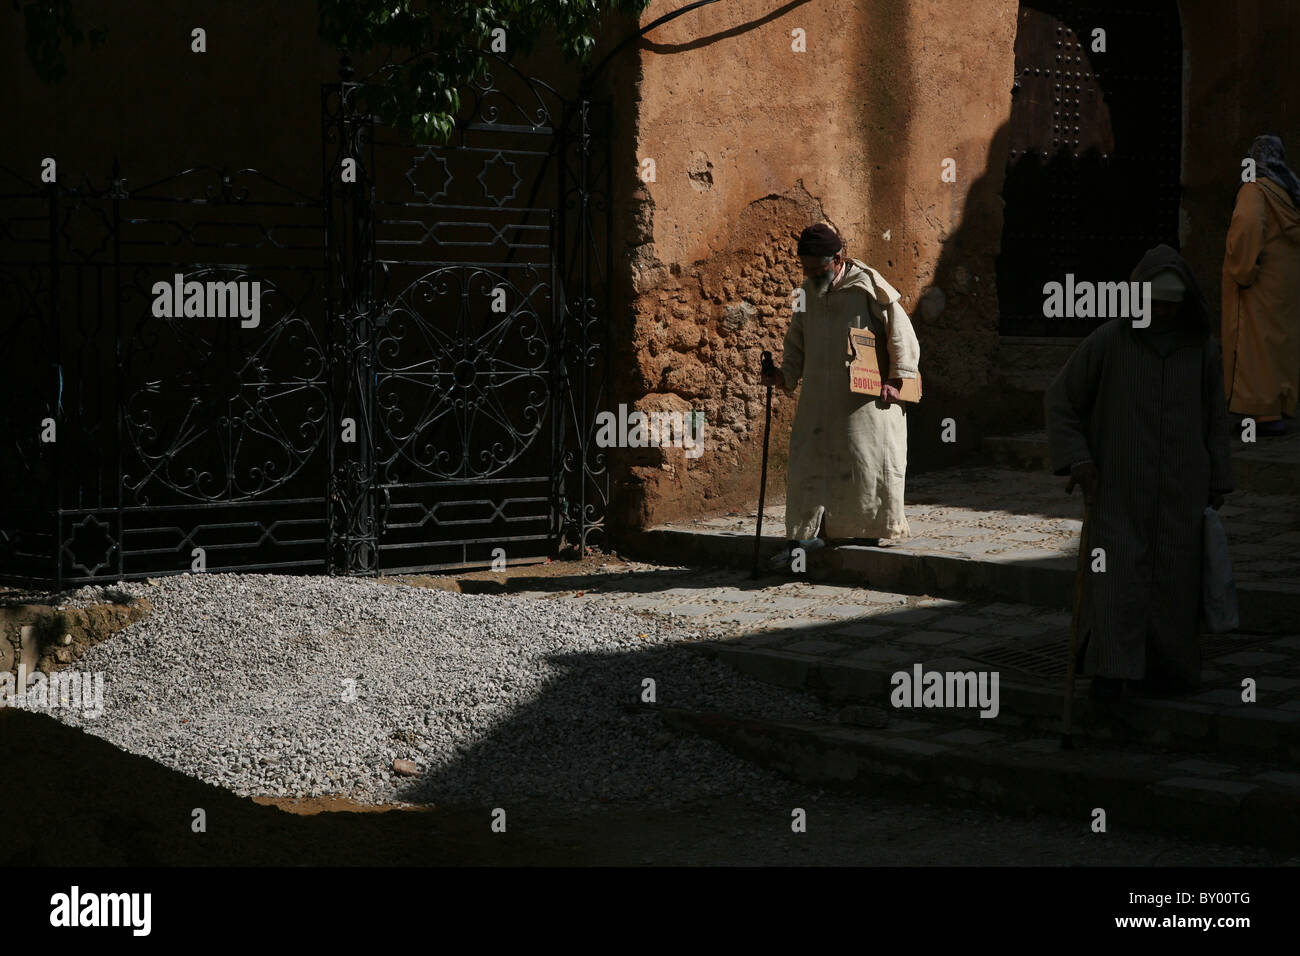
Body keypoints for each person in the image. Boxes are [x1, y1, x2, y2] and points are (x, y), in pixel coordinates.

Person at [1045, 244, 1233, 697]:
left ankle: (1169, 669)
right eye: (1155, 303)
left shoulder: (1203, 350)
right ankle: (1113, 671)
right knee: (1116, 579)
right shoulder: (1109, 341)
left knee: (1176, 581)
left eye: (1171, 304)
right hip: (1118, 485)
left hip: (1182, 489)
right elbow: (1062, 399)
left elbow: (1216, 419)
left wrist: (1219, 477)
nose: (1163, 312)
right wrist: (1079, 458)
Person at [761, 223, 920, 571]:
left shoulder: (869, 288)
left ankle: (867, 530)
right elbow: (796, 342)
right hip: (819, 398)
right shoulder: (807, 293)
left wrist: (897, 379)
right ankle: (806, 537)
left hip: (866, 401)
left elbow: (901, 336)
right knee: (810, 463)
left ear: (838, 258)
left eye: (819, 269)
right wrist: (784, 375)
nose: (813, 276)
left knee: (864, 464)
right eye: (807, 270)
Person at [1222, 133, 1300, 437]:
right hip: (1285, 284)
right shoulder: (1291, 190)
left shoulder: (1254, 190)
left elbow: (1248, 226)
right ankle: (1278, 405)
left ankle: (1261, 414)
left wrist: (1242, 270)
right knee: (1278, 344)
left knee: (1254, 347)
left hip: (1259, 283)